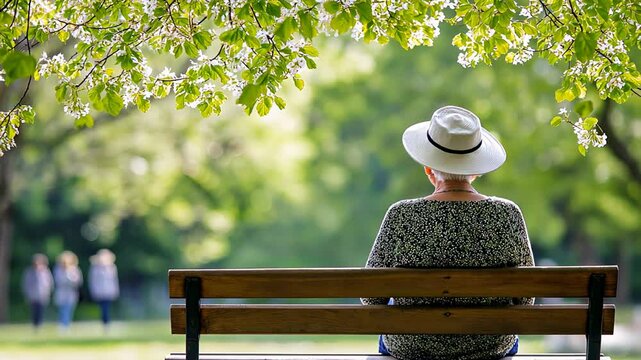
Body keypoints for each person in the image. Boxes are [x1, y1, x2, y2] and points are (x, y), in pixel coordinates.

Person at [361, 105, 535, 360]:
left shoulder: (401, 215)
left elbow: (371, 297)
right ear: (475, 171)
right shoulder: (507, 214)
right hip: (488, 348)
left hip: (411, 348)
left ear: (429, 170)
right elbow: (525, 300)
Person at [22, 253, 54, 329]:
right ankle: (34, 324)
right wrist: (27, 293)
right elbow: (26, 284)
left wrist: (48, 291)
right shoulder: (29, 272)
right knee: (34, 310)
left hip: (43, 294)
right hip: (32, 295)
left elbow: (50, 283)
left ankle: (39, 324)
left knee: (41, 310)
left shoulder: (46, 272)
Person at [88, 249, 119, 327]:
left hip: (109, 291)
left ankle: (106, 322)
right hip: (99, 291)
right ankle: (105, 321)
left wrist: (115, 290)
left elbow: (114, 280)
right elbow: (93, 280)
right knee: (103, 307)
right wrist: (93, 290)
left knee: (106, 307)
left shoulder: (112, 267)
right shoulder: (95, 268)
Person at [53, 250, 83, 329]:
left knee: (69, 309)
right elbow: (57, 281)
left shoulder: (74, 269)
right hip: (61, 292)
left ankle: (66, 324)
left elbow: (78, 281)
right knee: (62, 309)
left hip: (71, 292)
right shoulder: (58, 270)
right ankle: (62, 324)